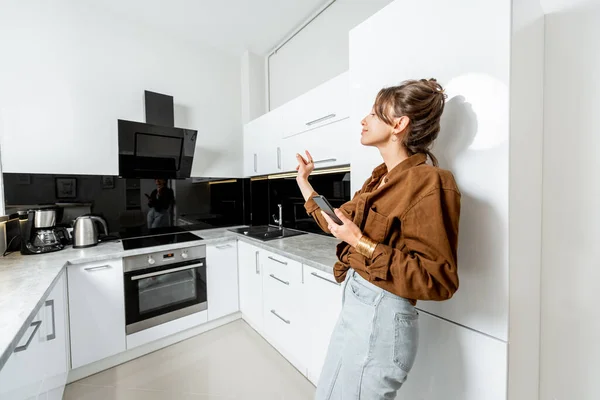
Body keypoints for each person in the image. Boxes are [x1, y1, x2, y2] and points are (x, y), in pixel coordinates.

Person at [295, 79, 461, 399]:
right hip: (356, 304)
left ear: (399, 124)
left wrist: (360, 242)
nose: (364, 119)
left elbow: (437, 279)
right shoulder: (377, 178)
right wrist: (304, 181)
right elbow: (335, 221)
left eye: (374, 113)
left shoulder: (431, 182)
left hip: (382, 315)